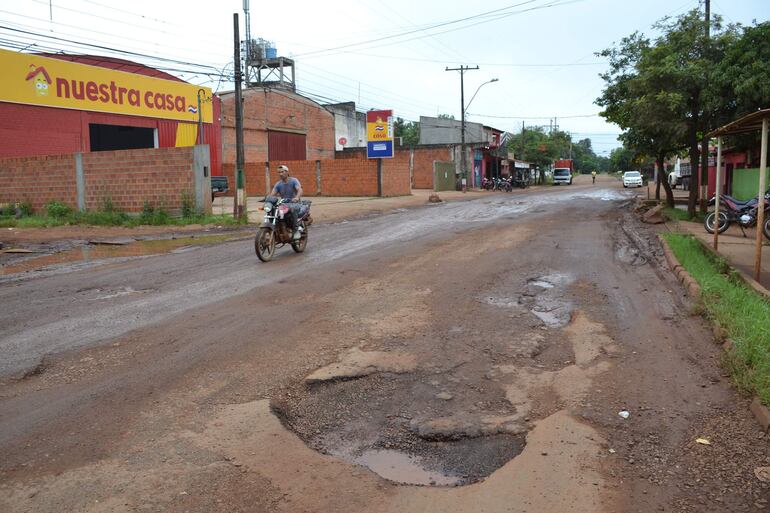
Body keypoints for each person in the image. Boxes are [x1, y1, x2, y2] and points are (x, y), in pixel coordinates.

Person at [271, 165, 303, 240]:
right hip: (284, 205)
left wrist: (297, 197)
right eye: (279, 172)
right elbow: (272, 194)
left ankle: (295, 230)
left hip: (295, 203)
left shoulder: (294, 180)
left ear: (287, 172)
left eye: (282, 172)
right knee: (273, 211)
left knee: (293, 209)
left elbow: (299, 189)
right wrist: (267, 200)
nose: (280, 174)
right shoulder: (278, 184)